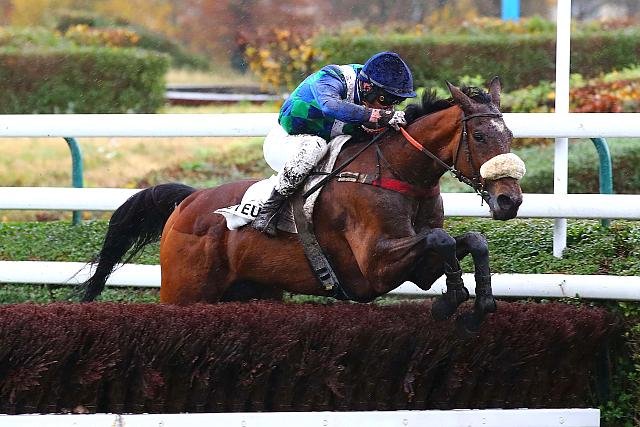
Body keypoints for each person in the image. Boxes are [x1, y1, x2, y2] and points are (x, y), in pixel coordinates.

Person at [253, 51, 417, 236]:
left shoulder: (370, 91)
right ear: (366, 86)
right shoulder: (332, 77)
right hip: (285, 142)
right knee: (315, 146)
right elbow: (329, 106)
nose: (389, 107)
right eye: (384, 100)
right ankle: (269, 211)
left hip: (327, 146)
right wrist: (378, 116)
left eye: (397, 101)